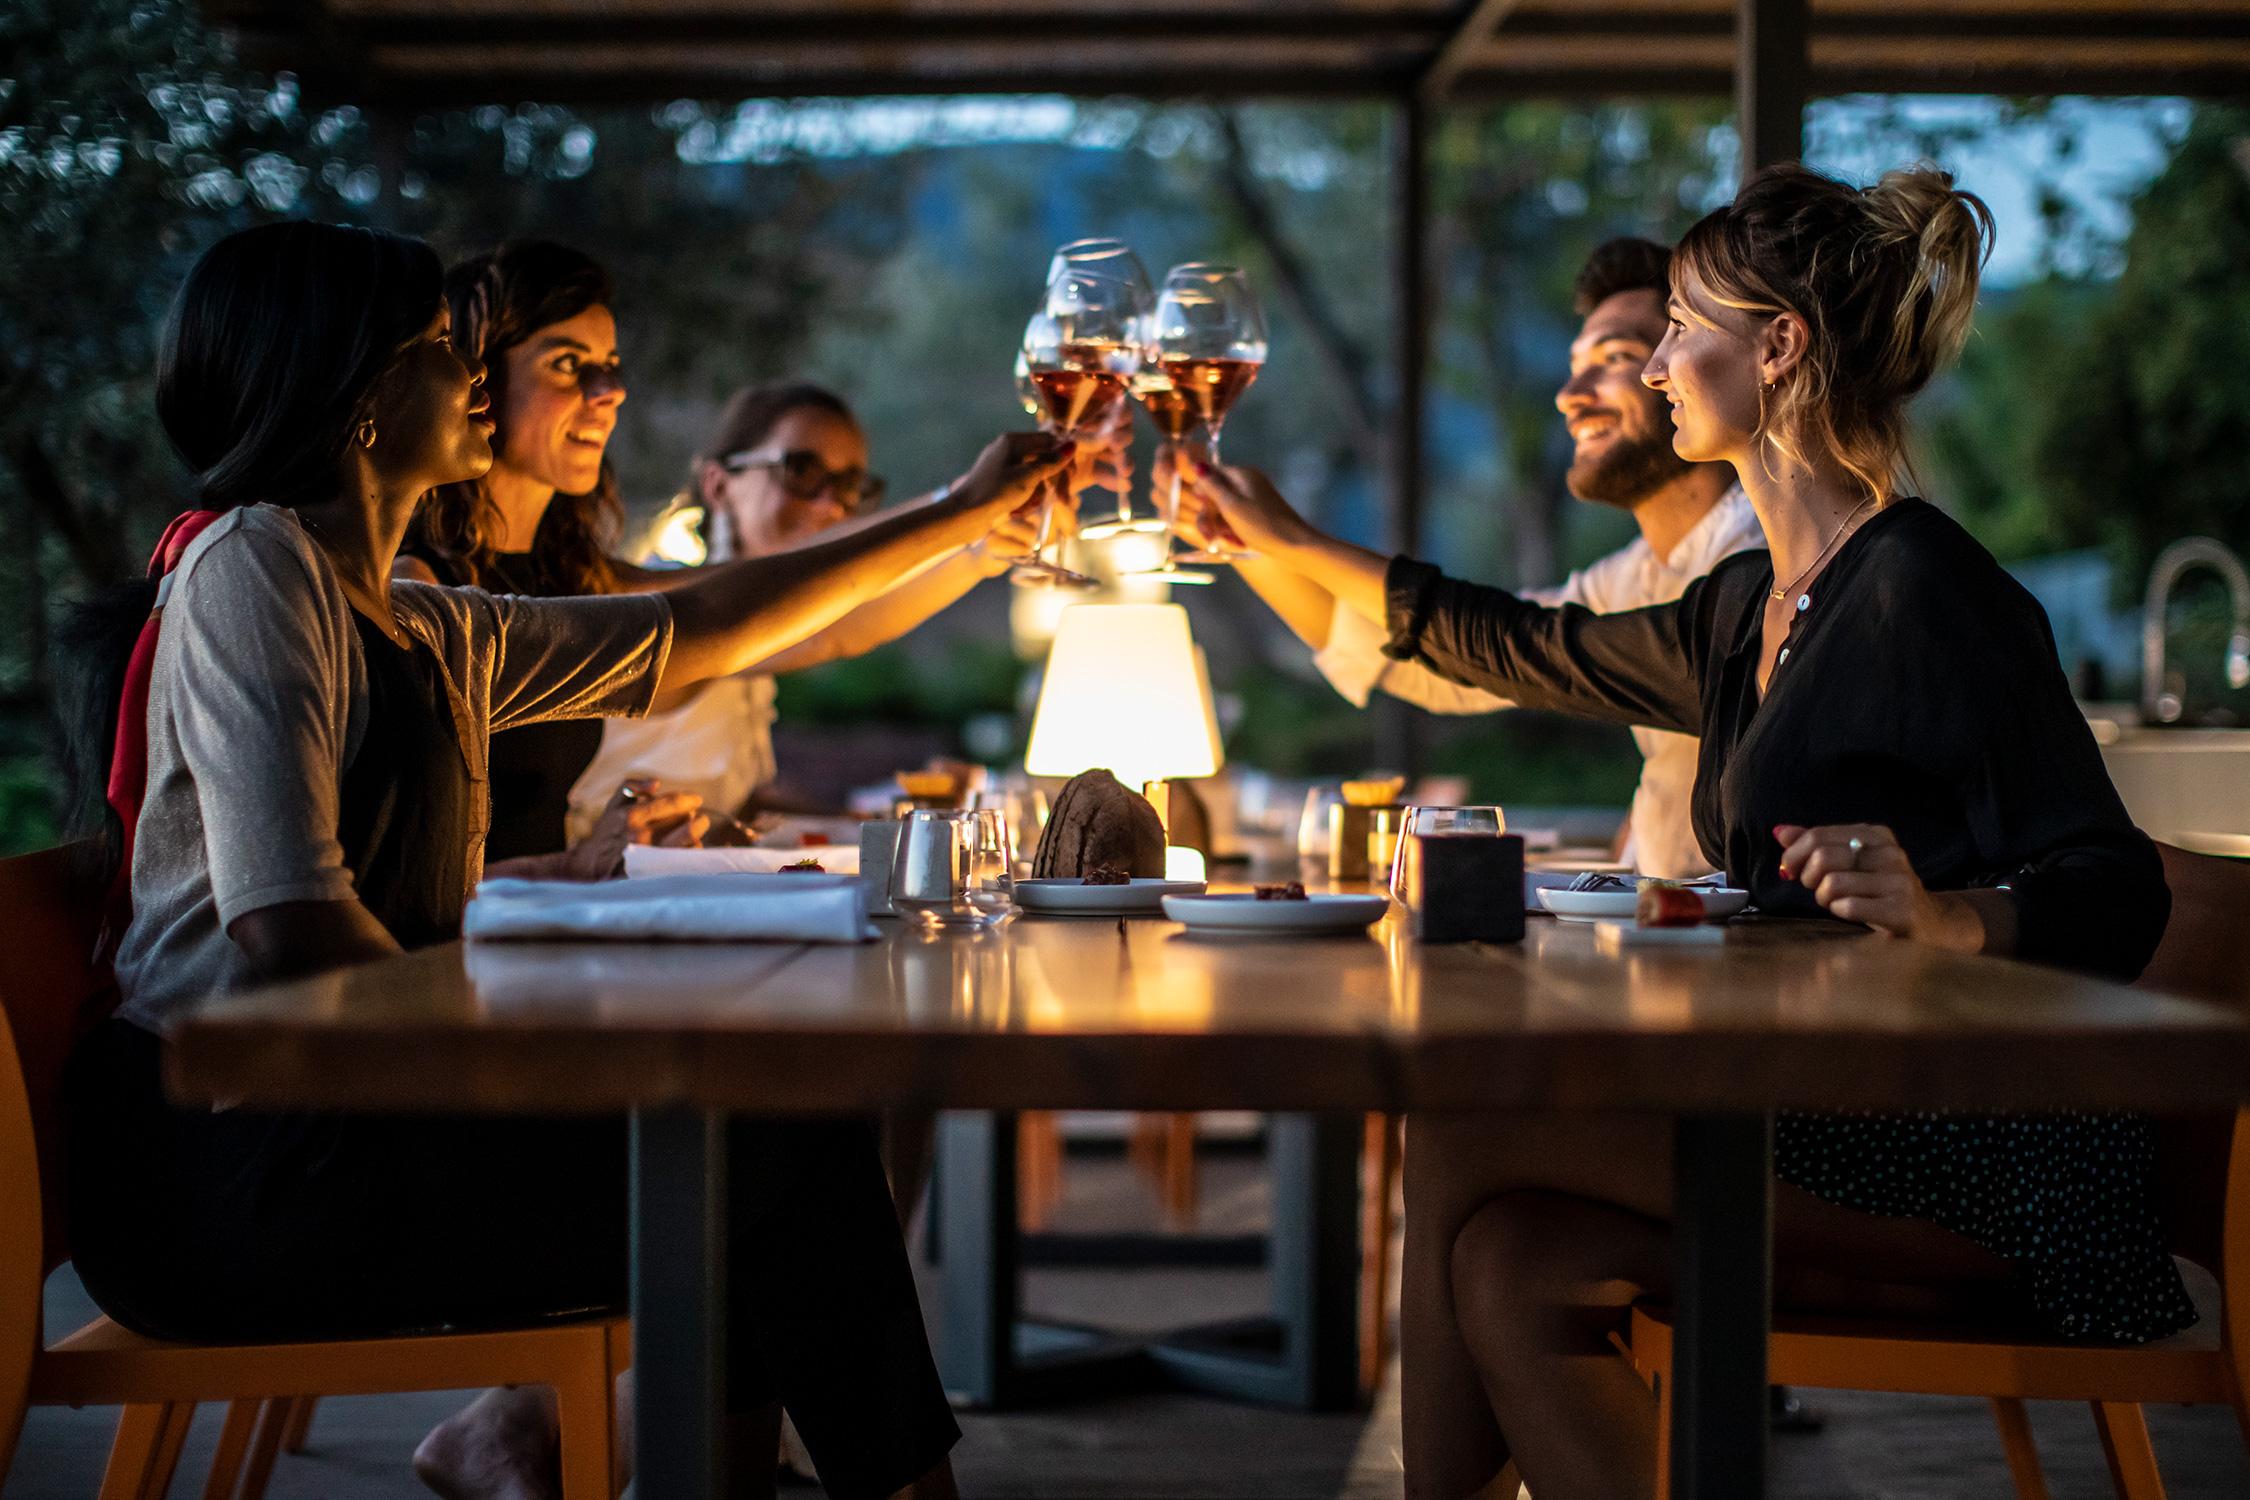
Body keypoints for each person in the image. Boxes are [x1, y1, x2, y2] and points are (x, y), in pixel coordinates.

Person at [1171, 165, 2193, 1500]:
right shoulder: (1747, 604)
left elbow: (2115, 888)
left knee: (1465, 1128)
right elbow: (1520, 643)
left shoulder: (1926, 591)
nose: (1653, 361)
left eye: (1680, 327)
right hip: (1820, 1107)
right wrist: (1274, 536)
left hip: (1989, 1157)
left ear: (1777, 349)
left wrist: (1954, 917)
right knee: (1511, 1260)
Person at [60, 221, 1073, 1500]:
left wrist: (970, 514)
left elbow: (703, 622)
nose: (474, 373)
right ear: (360, 396)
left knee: (772, 1137)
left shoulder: (420, 618)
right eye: (441, 348)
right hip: (231, 1179)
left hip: (338, 1128)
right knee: (763, 1158)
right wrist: (538, 1065)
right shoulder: (254, 565)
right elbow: (291, 926)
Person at [399, 243, 1066, 870]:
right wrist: (961, 510)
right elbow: (742, 617)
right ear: (474, 375)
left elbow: (818, 621)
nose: (609, 391)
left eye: (610, 367)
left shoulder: (580, 580)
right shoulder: (421, 588)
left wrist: (978, 545)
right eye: (568, 364)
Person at [1210, 238, 1761, 877]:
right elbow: (1446, 666)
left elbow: (1499, 644)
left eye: (1616, 357)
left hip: (1735, 949)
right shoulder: (1633, 575)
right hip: (1655, 933)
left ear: (1684, 368)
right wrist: (1248, 544)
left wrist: (1293, 538)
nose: (1570, 393)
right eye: (1575, 362)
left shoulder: (1755, 566)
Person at [569, 380, 1059, 827]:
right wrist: (968, 520)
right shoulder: (661, 603)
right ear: (719, 485)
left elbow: (745, 803)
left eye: (850, 487)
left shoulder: (764, 626)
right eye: (801, 469)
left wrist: (882, 812)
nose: (832, 506)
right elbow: (834, 631)